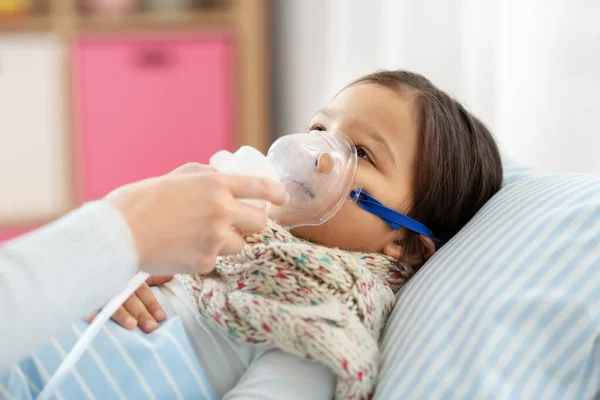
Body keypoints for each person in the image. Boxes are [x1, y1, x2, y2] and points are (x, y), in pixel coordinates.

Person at [4, 70, 503, 399]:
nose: (318, 152)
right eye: (320, 127)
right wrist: (114, 274)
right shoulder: (224, 238)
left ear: (405, 242)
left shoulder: (323, 316)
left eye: (363, 153)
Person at [0, 163, 289, 370]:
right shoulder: (202, 258)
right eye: (316, 128)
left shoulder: (306, 324)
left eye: (336, 142)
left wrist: (120, 244)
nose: (317, 154)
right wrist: (122, 247)